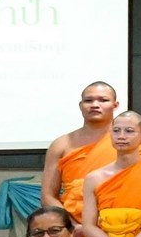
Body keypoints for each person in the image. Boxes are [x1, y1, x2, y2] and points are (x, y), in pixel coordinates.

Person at [42, 81, 121, 212]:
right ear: (80, 105)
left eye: (103, 100)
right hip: (74, 222)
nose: (95, 105)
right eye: (88, 100)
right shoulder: (62, 144)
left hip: (120, 221)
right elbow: (47, 196)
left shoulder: (130, 141)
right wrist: (73, 226)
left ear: (115, 105)